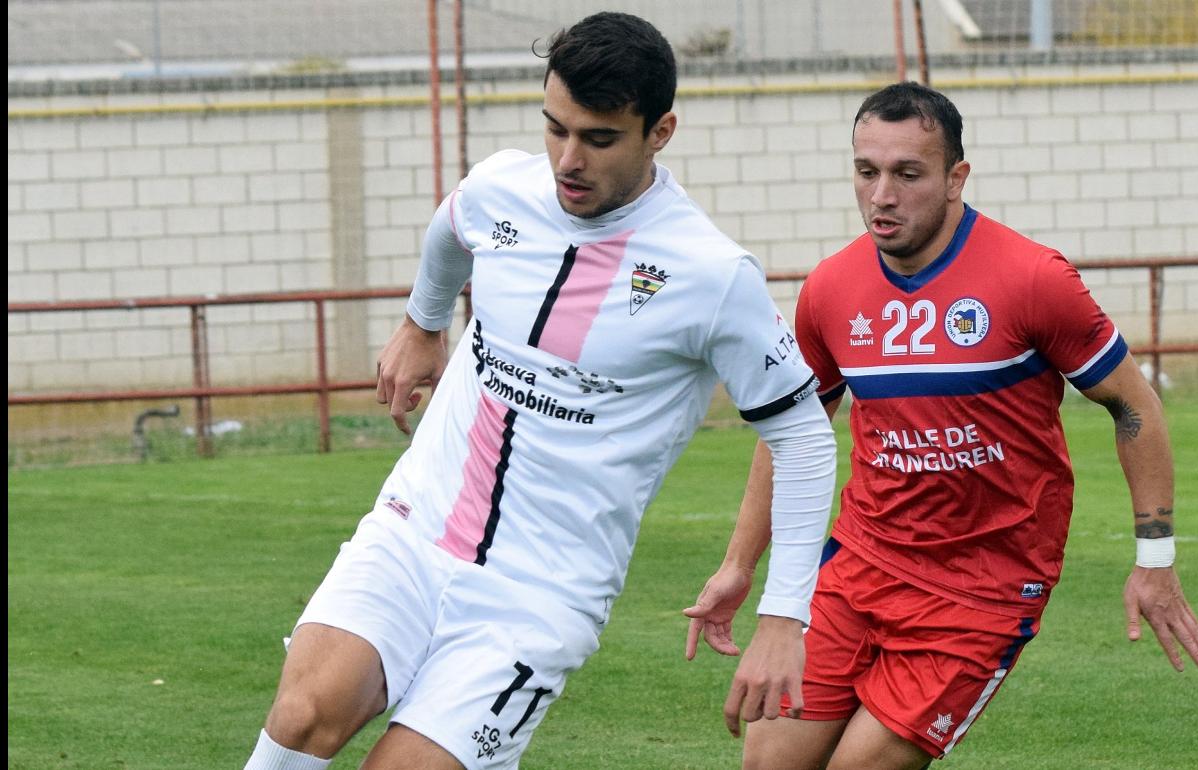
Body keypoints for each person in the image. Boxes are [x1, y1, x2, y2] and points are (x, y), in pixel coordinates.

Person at [243, 12, 837, 770]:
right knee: (301, 716)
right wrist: (423, 324)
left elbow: (804, 438)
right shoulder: (502, 188)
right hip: (414, 532)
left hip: (538, 594)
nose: (567, 159)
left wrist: (785, 616)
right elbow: (451, 228)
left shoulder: (711, 276)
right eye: (555, 129)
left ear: (660, 132)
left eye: (598, 138)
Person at [683, 81, 1198, 770]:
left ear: (955, 176)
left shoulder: (1031, 279)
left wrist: (1155, 561)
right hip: (859, 567)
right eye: (866, 171)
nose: (882, 195)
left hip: (982, 590)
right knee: (769, 761)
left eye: (908, 174)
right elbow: (792, 434)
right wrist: (737, 567)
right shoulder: (831, 290)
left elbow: (1133, 404)